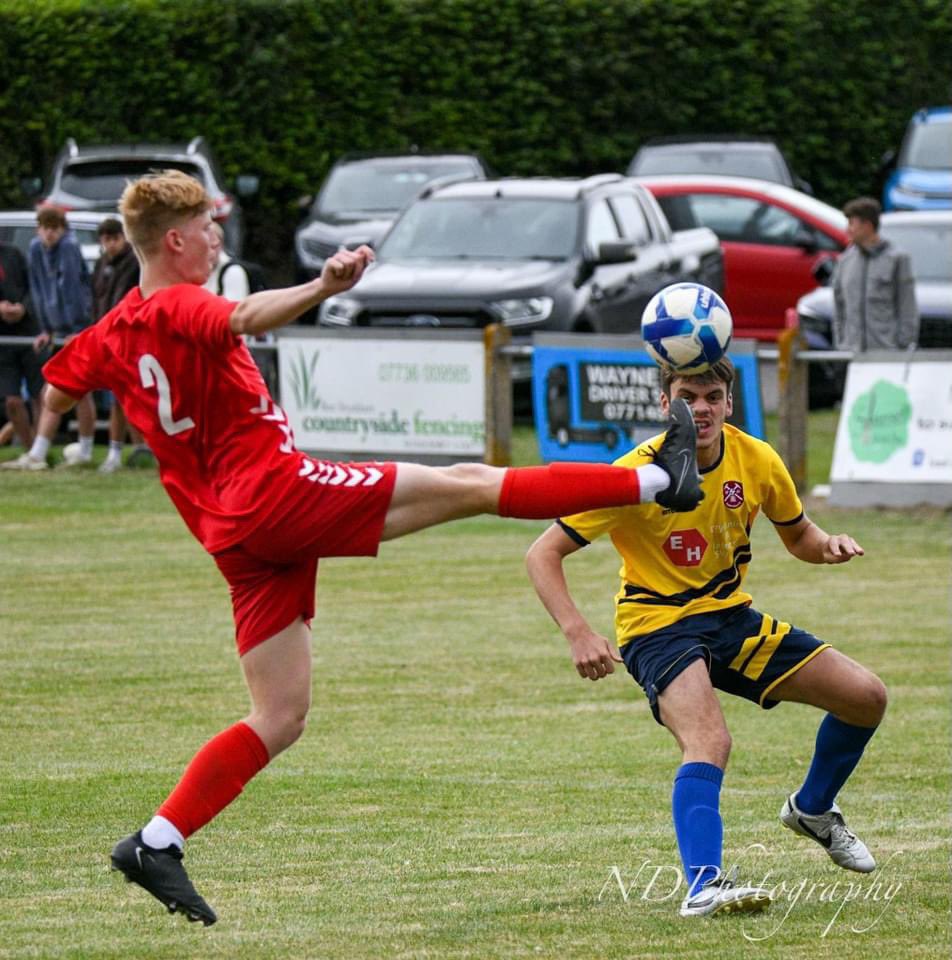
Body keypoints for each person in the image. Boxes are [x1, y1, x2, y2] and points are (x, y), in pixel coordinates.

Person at [38, 170, 705, 926]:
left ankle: (156, 841)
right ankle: (660, 483)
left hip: (232, 533)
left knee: (281, 714)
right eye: (210, 227)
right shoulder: (185, 304)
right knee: (471, 481)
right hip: (277, 494)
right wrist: (322, 284)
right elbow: (247, 315)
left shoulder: (112, 330)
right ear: (176, 240)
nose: (220, 237)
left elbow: (59, 385)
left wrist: (51, 421)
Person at [526, 357, 887, 919]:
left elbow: (801, 538)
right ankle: (704, 885)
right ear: (665, 404)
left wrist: (830, 544)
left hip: (730, 621)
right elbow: (542, 552)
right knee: (709, 740)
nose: (701, 408)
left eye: (712, 396)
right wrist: (578, 632)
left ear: (730, 403)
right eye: (688, 396)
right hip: (656, 627)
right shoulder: (637, 474)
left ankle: (813, 810)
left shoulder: (757, 458)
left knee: (866, 698)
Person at [2, 207, 95, 469]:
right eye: (45, 228)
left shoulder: (68, 247)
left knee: (70, 389)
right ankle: (48, 452)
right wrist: (45, 328)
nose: (49, 234)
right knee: (65, 389)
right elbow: (39, 290)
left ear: (62, 229)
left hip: (75, 329)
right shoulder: (35, 249)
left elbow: (73, 291)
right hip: (55, 330)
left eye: (55, 228)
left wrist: (78, 327)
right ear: (38, 229)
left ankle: (48, 453)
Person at [833, 196, 918, 352]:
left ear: (867, 226)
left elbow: (907, 307)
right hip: (851, 354)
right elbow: (839, 307)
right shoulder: (845, 261)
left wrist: (902, 345)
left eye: (852, 223)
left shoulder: (897, 259)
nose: (847, 230)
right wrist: (841, 343)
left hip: (885, 355)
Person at [90, 217, 142, 474]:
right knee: (118, 401)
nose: (110, 245)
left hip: (129, 341)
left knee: (131, 400)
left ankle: (141, 450)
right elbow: (96, 299)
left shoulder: (135, 263)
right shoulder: (101, 264)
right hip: (108, 340)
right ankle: (117, 452)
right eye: (106, 240)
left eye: (115, 238)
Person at [0, 239, 42, 451]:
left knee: (39, 396)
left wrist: (23, 308)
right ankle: (29, 449)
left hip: (28, 335)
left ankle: (40, 451)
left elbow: (33, 286)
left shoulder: (14, 254)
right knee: (12, 401)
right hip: (4, 342)